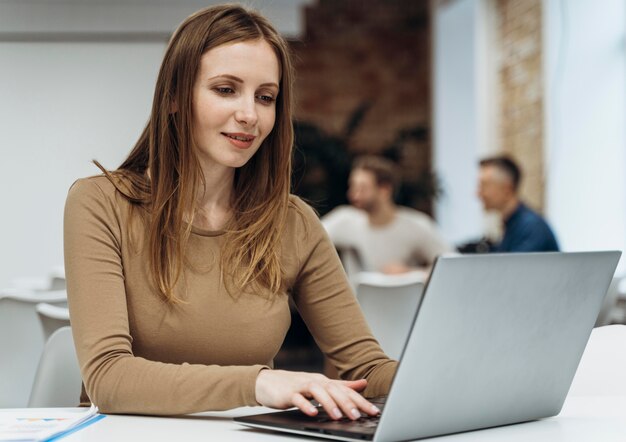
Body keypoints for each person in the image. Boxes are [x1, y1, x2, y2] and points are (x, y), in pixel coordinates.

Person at [63, 4, 395, 419]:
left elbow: (365, 367)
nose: (249, 115)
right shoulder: (100, 204)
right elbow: (109, 379)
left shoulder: (293, 223)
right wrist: (258, 383)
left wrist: (448, 377)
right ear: (173, 98)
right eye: (225, 89)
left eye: (266, 97)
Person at [322, 155, 451, 275]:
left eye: (362, 188)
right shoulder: (344, 220)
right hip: (357, 298)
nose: (353, 195)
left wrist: (410, 273)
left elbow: (450, 266)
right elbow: (307, 240)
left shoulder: (416, 225)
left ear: (384, 190)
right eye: (353, 187)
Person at [477, 155, 559, 252]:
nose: (478, 193)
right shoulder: (513, 225)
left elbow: (513, 266)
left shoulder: (531, 228)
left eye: (484, 186)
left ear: (507, 189)